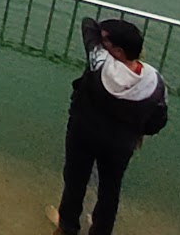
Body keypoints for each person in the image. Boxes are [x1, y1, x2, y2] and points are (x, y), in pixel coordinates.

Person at [50, 16, 168, 235]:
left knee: (75, 181)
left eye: (107, 42)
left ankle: (67, 228)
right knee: (110, 190)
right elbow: (157, 122)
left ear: (119, 51)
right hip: (120, 145)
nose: (101, 44)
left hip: (83, 135)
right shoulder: (154, 82)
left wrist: (103, 36)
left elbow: (87, 24)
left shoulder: (100, 65)